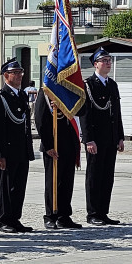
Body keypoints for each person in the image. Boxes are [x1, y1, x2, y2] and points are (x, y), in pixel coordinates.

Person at [0, 58, 35, 233]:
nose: (19, 76)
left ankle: (15, 218)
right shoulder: (1, 97)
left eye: (20, 72)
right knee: (7, 187)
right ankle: (4, 220)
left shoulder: (22, 95)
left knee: (19, 186)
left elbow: (24, 125)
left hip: (22, 149)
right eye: (15, 73)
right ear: (6, 76)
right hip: (8, 150)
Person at [79, 48, 125, 225]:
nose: (108, 63)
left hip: (111, 138)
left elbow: (117, 113)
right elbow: (85, 115)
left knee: (107, 176)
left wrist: (120, 136)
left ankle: (103, 211)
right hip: (95, 139)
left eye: (109, 60)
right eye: (104, 60)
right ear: (95, 64)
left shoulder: (112, 85)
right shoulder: (88, 85)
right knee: (94, 176)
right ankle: (93, 213)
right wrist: (88, 139)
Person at [34, 88, 82, 229]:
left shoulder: (71, 89)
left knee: (67, 182)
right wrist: (48, 145)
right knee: (53, 181)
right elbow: (40, 118)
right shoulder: (47, 91)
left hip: (70, 142)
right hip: (53, 144)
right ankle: (50, 216)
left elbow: (83, 112)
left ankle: (64, 216)